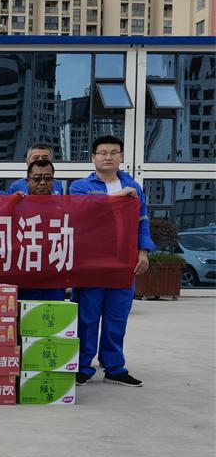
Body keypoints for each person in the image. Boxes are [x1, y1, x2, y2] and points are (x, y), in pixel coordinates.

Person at [69, 135, 153, 388]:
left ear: (121, 157)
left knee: (117, 317)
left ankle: (114, 367)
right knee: (87, 316)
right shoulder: (80, 186)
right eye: (103, 152)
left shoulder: (133, 187)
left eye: (114, 152)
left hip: (123, 261)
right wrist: (117, 198)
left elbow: (142, 222)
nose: (108, 157)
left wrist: (143, 252)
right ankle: (82, 367)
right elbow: (84, 211)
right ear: (93, 157)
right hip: (91, 261)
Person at [14, 158, 67, 303]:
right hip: (24, 276)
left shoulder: (64, 207)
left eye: (48, 179)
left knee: (53, 314)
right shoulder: (16, 206)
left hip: (54, 275)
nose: (43, 183)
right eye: (37, 179)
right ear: (27, 181)